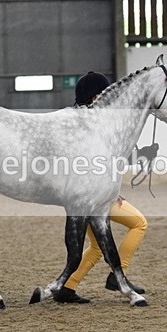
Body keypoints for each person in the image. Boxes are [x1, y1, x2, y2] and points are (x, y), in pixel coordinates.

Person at [53, 72, 158, 304]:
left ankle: (67, 288)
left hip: (87, 195)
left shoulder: (79, 120)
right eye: (103, 92)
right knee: (139, 223)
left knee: (96, 247)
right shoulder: (93, 124)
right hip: (94, 195)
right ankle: (117, 276)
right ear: (96, 95)